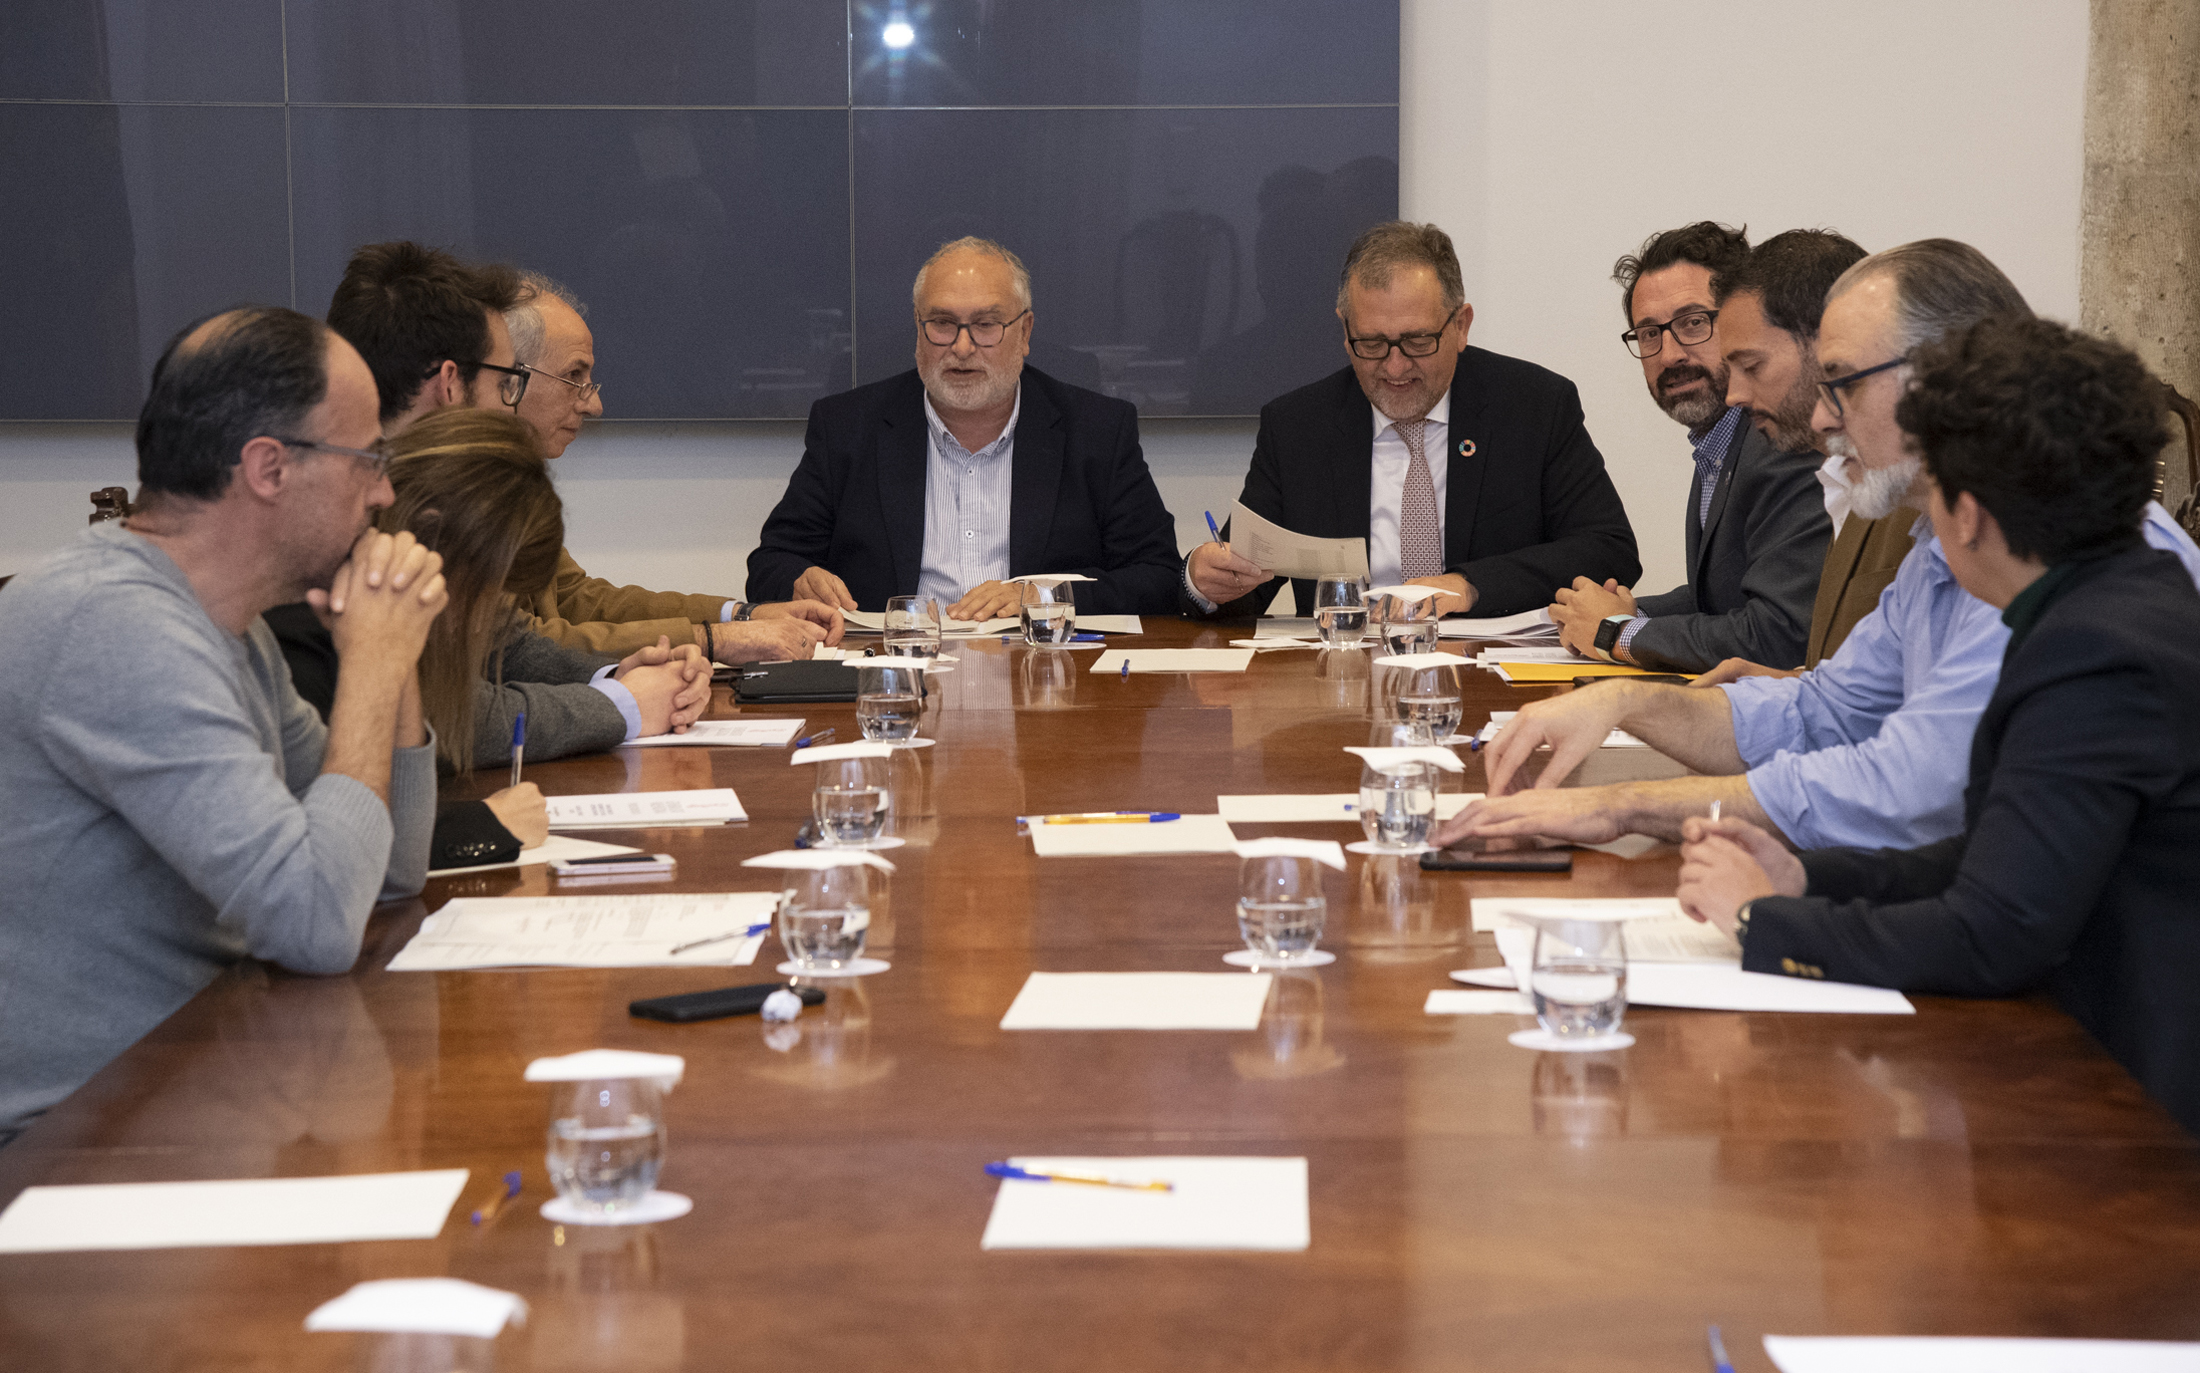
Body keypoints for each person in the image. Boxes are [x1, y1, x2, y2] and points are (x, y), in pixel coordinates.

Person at [1439, 239, 2200, 852]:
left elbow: (1908, 788)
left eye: (1843, 382)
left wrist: (1627, 807)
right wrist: (1623, 701)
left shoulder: (2057, 552)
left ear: (1945, 375)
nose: (1827, 419)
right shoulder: (1941, 540)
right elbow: (1821, 709)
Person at [1675, 315, 2200, 1135]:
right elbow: (1998, 855)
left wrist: (1763, 920)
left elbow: (1994, 932)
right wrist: (1809, 880)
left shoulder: (2095, 652)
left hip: (2136, 1115)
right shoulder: (2116, 598)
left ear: (1967, 513)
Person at [0, 307, 441, 1142]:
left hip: (198, 1079)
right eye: (367, 461)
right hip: (74, 1144)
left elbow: (385, 872)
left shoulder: (235, 631)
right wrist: (375, 663)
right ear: (270, 467)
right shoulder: (113, 625)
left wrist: (397, 644)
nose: (384, 492)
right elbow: (316, 922)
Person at [1184, 220, 1637, 619]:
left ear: (1461, 325)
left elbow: (1609, 549)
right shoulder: (1299, 427)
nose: (1395, 367)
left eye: (1418, 342)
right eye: (1373, 343)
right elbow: (1244, 588)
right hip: (1345, 680)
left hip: (1489, 670)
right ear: (1345, 332)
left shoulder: (1534, 405)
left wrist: (1469, 584)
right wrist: (1203, 582)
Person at [745, 237, 1185, 619]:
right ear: (918, 330)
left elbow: (1158, 577)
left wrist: (1044, 596)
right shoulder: (847, 427)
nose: (961, 346)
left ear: (1025, 331)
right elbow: (771, 565)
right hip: (897, 673)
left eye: (985, 325)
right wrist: (802, 580)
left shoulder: (1097, 430)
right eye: (942, 324)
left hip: (1042, 679)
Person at [287, 409, 713, 778]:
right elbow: (449, 721)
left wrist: (620, 677)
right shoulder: (325, 600)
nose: (490, 614)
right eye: (490, 594)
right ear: (432, 532)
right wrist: (623, 704)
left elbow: (507, 645)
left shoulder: (427, 553)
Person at [500, 270, 843, 658]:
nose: (593, 404)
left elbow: (577, 599)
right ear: (509, 381)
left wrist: (745, 615)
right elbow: (518, 648)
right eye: (573, 377)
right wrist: (711, 641)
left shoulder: (510, 481)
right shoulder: (452, 493)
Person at [1546, 225, 1839, 672]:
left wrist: (1616, 633)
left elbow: (1781, 633)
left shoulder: (1784, 439)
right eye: (1648, 334)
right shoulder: (1720, 442)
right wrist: (1628, 613)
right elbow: (1721, 597)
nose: (1669, 354)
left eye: (1693, 323)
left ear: (1741, 320)